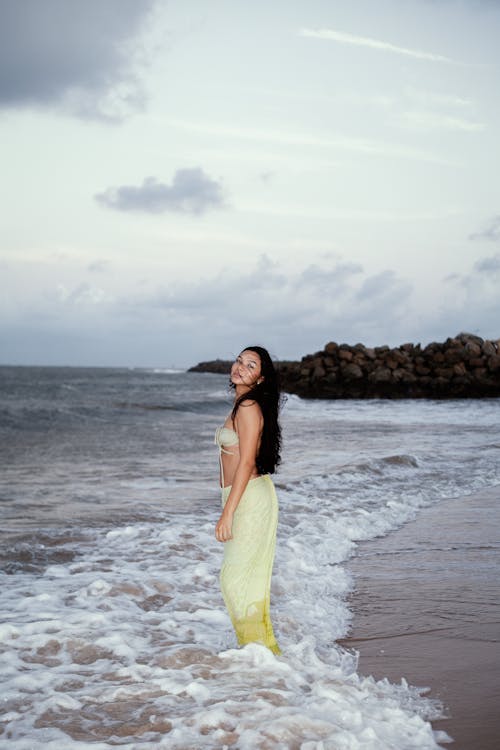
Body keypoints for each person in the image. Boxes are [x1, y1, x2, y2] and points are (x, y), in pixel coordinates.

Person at [214, 346, 282, 655]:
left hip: (249, 499)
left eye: (250, 365)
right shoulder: (242, 404)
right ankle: (258, 654)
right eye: (239, 360)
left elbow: (245, 463)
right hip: (242, 496)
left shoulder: (248, 406)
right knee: (240, 579)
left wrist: (227, 514)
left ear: (260, 378)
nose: (240, 367)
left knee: (235, 580)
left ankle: (260, 655)